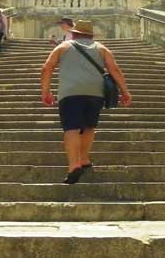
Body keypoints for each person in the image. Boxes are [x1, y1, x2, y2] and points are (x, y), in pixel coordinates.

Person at [41, 20, 132, 184]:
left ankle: (73, 165)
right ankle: (83, 158)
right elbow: (115, 70)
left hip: (70, 92)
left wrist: (46, 91)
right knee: (89, 126)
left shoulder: (63, 47)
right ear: (91, 35)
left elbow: (47, 67)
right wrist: (125, 91)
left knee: (72, 128)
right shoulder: (101, 48)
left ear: (74, 33)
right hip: (95, 93)